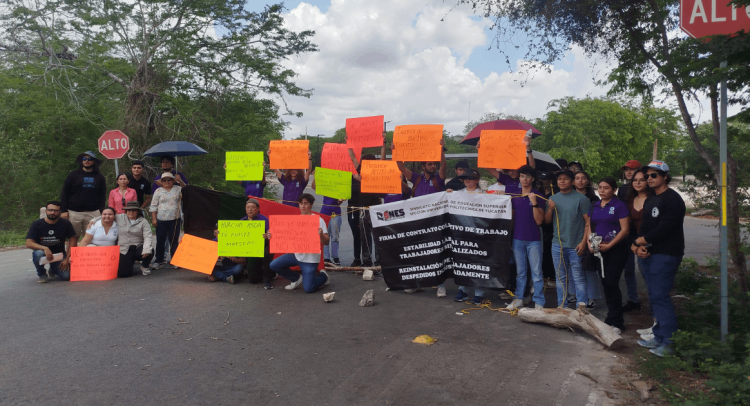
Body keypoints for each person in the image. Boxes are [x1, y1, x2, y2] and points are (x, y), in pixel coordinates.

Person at [634, 160, 685, 357]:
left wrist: (642, 240)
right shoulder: (651, 200)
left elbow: (665, 228)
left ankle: (669, 343)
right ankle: (658, 336)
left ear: (665, 176)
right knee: (654, 296)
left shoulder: (673, 199)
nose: (649, 179)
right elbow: (645, 227)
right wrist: (638, 246)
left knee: (660, 296)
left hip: (666, 254)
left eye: (653, 175)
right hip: (649, 253)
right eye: (647, 176)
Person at [394, 139, 448, 296]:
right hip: (417, 222)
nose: (433, 166)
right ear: (423, 166)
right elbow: (401, 167)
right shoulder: (416, 178)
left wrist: (440, 149)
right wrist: (396, 151)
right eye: (429, 164)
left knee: (436, 253)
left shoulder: (438, 179)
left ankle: (440, 285)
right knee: (417, 253)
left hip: (435, 222)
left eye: (434, 164)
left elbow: (444, 166)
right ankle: (416, 283)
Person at [585, 178, 630, 331]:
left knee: (612, 282)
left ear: (614, 190)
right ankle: (611, 318)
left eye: (606, 188)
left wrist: (610, 245)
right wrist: (590, 243)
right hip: (599, 249)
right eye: (600, 187)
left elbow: (625, 229)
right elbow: (589, 225)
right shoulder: (595, 205)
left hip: (616, 249)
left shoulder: (619, 205)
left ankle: (617, 322)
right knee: (605, 283)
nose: (602, 190)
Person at [544, 170, 590, 309]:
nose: (562, 181)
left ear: (572, 181)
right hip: (557, 244)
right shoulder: (553, 199)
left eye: (566, 179)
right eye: (560, 179)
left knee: (578, 277)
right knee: (560, 278)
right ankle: (562, 306)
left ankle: (581, 308)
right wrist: (550, 209)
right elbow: (547, 221)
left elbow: (588, 223)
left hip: (576, 245)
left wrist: (583, 243)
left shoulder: (582, 199)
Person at [268, 194, 331, 293]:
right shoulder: (295, 220)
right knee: (273, 265)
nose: (303, 206)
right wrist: (271, 235)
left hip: (310, 259)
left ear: (311, 205)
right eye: (301, 203)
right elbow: (285, 236)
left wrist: (321, 235)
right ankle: (296, 278)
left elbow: (326, 241)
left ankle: (323, 276)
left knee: (309, 289)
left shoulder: (318, 220)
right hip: (295, 255)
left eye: (306, 203)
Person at [505, 166, 546, 310]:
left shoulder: (538, 196)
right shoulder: (514, 196)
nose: (525, 179)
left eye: (528, 176)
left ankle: (539, 301)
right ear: (519, 178)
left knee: (536, 272)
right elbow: (511, 219)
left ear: (533, 179)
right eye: (522, 176)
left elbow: (539, 221)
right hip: (517, 238)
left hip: (534, 239)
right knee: (520, 272)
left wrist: (534, 203)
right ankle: (518, 299)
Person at [449, 169, 489, 305]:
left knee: (478, 263)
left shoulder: (484, 194)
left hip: (479, 233)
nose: (467, 180)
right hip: (462, 232)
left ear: (477, 180)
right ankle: (463, 289)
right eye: (465, 178)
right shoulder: (458, 194)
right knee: (463, 261)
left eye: (470, 178)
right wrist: (449, 194)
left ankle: (479, 293)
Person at [87, 201, 153, 277]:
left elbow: (148, 236)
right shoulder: (119, 217)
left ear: (138, 211)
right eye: (129, 210)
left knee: (150, 250)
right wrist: (93, 220)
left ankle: (145, 266)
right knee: (123, 274)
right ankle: (130, 264)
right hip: (124, 249)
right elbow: (107, 216)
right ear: (126, 211)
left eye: (134, 210)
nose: (131, 212)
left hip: (138, 246)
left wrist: (146, 249)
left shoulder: (143, 221)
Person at [621, 169, 653, 312]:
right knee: (628, 270)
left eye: (642, 180)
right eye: (635, 180)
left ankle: (654, 307)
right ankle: (633, 300)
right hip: (631, 238)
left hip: (648, 241)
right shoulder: (630, 199)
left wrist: (641, 242)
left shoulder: (654, 199)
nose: (638, 183)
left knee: (647, 273)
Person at [26, 201, 78, 282]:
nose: (52, 213)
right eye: (50, 210)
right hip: (43, 253)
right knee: (38, 253)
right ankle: (42, 274)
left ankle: (53, 268)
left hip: (59, 255)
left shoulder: (65, 223)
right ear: (46, 211)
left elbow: (72, 240)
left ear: (60, 212)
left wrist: (67, 258)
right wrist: (45, 248)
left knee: (67, 276)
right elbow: (28, 243)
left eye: (56, 211)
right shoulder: (37, 224)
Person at [348, 151, 384, 268]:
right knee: (364, 236)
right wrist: (349, 145)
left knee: (376, 235)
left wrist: (383, 145)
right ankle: (367, 260)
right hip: (363, 208)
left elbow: (382, 159)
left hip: (375, 208)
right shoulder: (361, 172)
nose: (362, 164)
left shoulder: (378, 173)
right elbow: (353, 158)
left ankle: (379, 260)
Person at [60, 151, 107, 238]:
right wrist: (64, 210)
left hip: (93, 212)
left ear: (94, 161)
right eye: (84, 158)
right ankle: (72, 248)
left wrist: (101, 211)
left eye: (90, 159)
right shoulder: (73, 175)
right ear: (81, 161)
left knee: (93, 238)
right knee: (72, 237)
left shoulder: (99, 177)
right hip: (74, 212)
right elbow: (65, 193)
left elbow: (102, 195)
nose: (87, 161)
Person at [574, 171, 602, 308]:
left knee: (589, 268)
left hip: (589, 235)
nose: (580, 181)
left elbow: (592, 221)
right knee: (574, 268)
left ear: (587, 181)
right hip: (572, 235)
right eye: (577, 178)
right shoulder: (568, 196)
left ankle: (592, 297)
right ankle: (574, 294)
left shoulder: (593, 199)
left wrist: (588, 239)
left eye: (583, 178)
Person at [149, 172, 182, 269]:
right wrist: (154, 219)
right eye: (164, 180)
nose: (167, 181)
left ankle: (175, 260)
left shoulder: (178, 189)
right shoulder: (158, 191)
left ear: (173, 180)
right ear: (162, 181)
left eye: (169, 179)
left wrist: (180, 180)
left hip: (175, 219)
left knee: (174, 240)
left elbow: (187, 190)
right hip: (161, 219)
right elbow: (153, 205)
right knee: (160, 240)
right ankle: (159, 260)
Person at [242, 199, 275, 289]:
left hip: (265, 245)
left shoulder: (264, 219)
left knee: (266, 254)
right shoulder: (242, 221)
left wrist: (267, 235)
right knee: (253, 280)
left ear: (258, 209)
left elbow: (272, 233)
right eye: (248, 207)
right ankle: (267, 272)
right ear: (245, 209)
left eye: (253, 207)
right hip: (251, 247)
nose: (250, 209)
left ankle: (267, 279)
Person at [311, 177, 344, 266]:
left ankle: (335, 257)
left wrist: (340, 201)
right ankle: (326, 257)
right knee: (325, 235)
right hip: (324, 212)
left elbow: (341, 198)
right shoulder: (325, 181)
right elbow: (314, 187)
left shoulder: (340, 183)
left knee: (335, 237)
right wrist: (316, 176)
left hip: (336, 213)